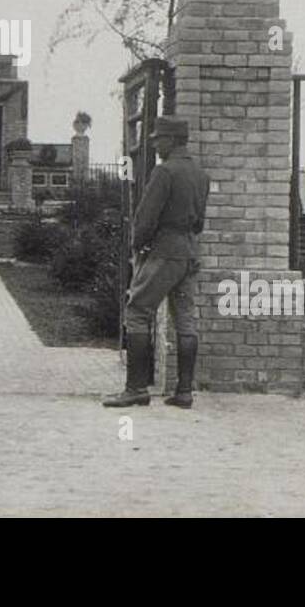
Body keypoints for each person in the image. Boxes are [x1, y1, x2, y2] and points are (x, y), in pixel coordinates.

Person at [103, 116, 210, 409]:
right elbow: (199, 222)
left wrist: (137, 246)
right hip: (189, 252)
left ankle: (136, 389)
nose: (154, 144)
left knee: (137, 311)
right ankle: (184, 392)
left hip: (164, 251)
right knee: (185, 320)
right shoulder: (201, 174)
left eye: (158, 139)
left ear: (172, 140)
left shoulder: (164, 171)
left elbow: (146, 218)